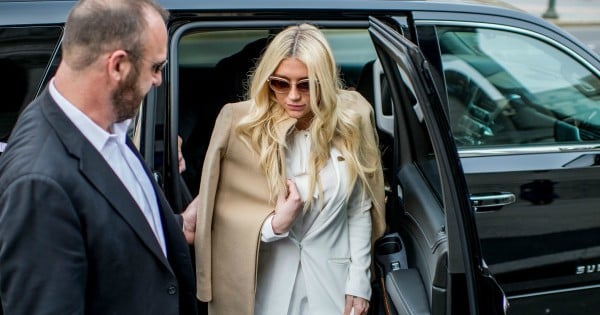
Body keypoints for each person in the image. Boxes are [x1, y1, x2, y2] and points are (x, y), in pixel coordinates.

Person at [0, 0, 198, 314]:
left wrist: (176, 224)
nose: (159, 79)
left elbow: (105, 225)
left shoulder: (105, 124)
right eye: (156, 67)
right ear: (118, 65)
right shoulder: (40, 182)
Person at [195, 24, 386, 315]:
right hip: (265, 286)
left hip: (332, 285)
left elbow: (358, 209)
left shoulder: (351, 122)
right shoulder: (241, 129)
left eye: (306, 84)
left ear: (323, 81)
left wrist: (359, 281)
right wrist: (274, 226)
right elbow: (224, 221)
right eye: (281, 83)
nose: (293, 96)